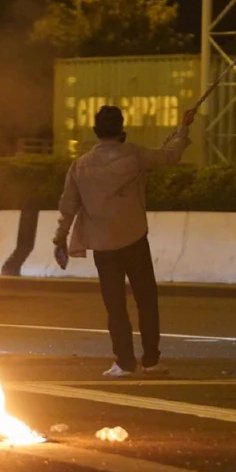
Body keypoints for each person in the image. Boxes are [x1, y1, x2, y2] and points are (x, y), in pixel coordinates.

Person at [53, 105, 196, 377]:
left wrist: (60, 240)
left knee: (115, 307)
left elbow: (67, 207)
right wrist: (183, 128)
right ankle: (151, 361)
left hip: (103, 246)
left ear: (96, 131)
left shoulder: (80, 166)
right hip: (135, 240)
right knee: (147, 300)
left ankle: (125, 362)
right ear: (121, 129)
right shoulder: (134, 155)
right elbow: (170, 156)